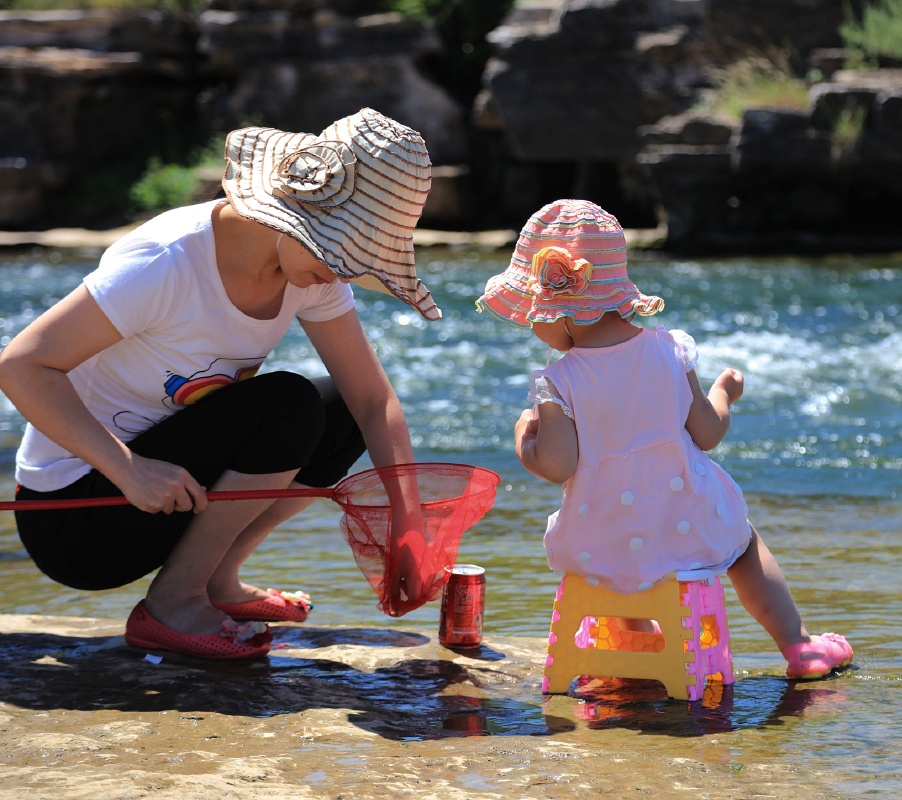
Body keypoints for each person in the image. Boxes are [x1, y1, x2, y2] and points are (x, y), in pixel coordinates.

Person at [0, 108, 437, 659]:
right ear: (295, 213)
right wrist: (125, 468)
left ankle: (215, 580)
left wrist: (409, 520)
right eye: (343, 250)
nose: (347, 271)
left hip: (169, 489)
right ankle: (172, 603)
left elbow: (374, 401)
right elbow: (21, 365)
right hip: (76, 517)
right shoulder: (165, 262)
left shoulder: (313, 272)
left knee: (340, 409)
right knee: (290, 403)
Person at [476, 199, 853, 680]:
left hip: (601, 541)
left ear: (564, 311)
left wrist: (523, 439)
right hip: (684, 521)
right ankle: (799, 646)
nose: (531, 323)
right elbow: (707, 433)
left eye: (534, 311)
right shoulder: (670, 350)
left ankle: (636, 649)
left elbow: (557, 465)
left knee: (620, 560)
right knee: (741, 543)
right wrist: (723, 393)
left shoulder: (558, 380)